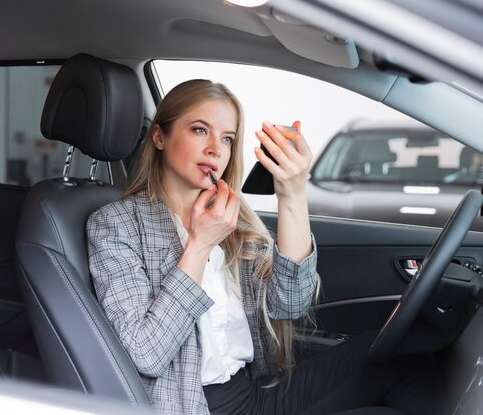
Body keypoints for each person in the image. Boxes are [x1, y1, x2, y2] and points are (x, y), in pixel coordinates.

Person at [87, 80, 444, 415]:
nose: (215, 148)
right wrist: (199, 244)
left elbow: (290, 302)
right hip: (197, 405)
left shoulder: (229, 216)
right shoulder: (116, 224)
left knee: (408, 358)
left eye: (227, 138)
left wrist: (293, 193)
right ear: (159, 137)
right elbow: (145, 353)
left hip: (254, 393)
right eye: (200, 130)